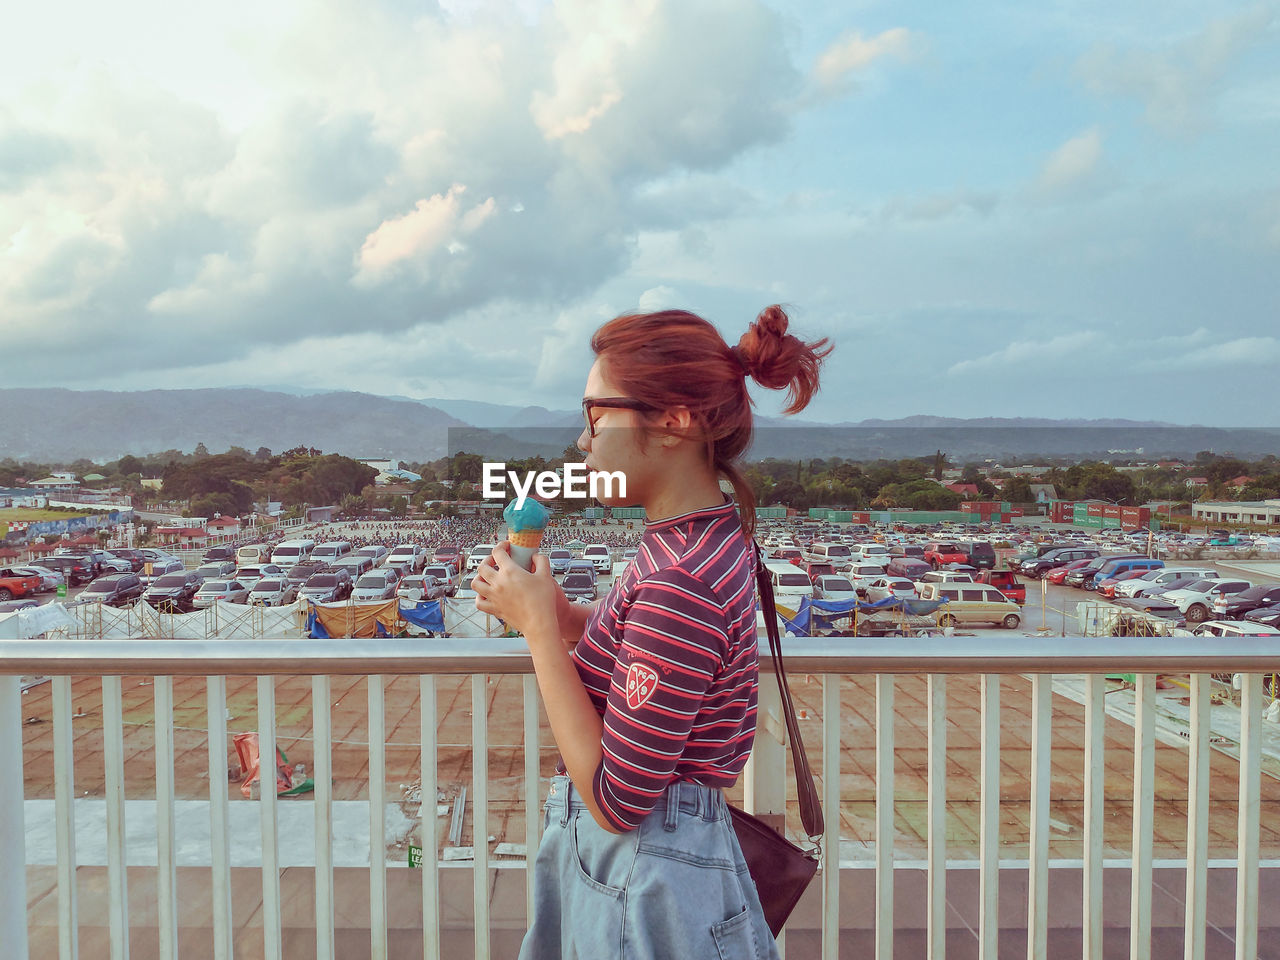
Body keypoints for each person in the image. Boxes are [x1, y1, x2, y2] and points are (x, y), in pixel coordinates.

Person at [472, 305, 830, 958]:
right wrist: (559, 613)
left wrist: (536, 635)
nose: (584, 441)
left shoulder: (678, 578)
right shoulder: (700, 536)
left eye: (596, 415)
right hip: (658, 866)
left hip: (638, 875)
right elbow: (650, 650)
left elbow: (617, 800)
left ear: (675, 419)